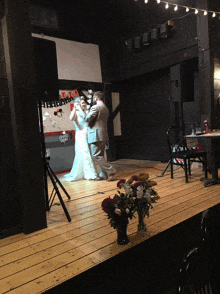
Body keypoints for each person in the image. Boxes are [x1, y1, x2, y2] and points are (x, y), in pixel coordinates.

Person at [61, 96, 97, 181]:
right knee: (84, 153)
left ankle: (88, 172)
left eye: (84, 103)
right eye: (82, 103)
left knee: (89, 153)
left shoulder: (85, 112)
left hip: (87, 134)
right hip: (80, 135)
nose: (84, 104)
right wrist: (74, 108)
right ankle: (88, 173)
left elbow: (87, 120)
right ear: (78, 104)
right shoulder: (76, 113)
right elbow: (71, 118)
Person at [85, 91, 117, 181]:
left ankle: (111, 170)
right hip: (103, 134)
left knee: (95, 155)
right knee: (101, 155)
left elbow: (87, 118)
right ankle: (103, 175)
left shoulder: (95, 107)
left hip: (96, 135)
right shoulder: (105, 108)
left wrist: (86, 114)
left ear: (96, 98)